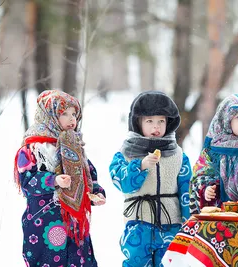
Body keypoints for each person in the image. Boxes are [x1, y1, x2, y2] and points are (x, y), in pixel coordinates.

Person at [14, 90, 106, 266]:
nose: (72, 119)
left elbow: (89, 175)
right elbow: (27, 182)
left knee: (80, 261)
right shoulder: (33, 149)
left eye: (74, 114)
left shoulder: (75, 146)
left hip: (75, 223)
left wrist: (97, 193)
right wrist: (53, 180)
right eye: (64, 114)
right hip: (45, 221)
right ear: (49, 116)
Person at [109, 91, 191, 267]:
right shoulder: (125, 154)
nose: (156, 127)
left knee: (170, 263)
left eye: (161, 121)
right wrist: (140, 166)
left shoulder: (178, 155)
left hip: (171, 223)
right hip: (138, 223)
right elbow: (121, 183)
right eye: (150, 121)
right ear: (137, 123)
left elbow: (187, 190)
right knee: (136, 263)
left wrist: (188, 222)